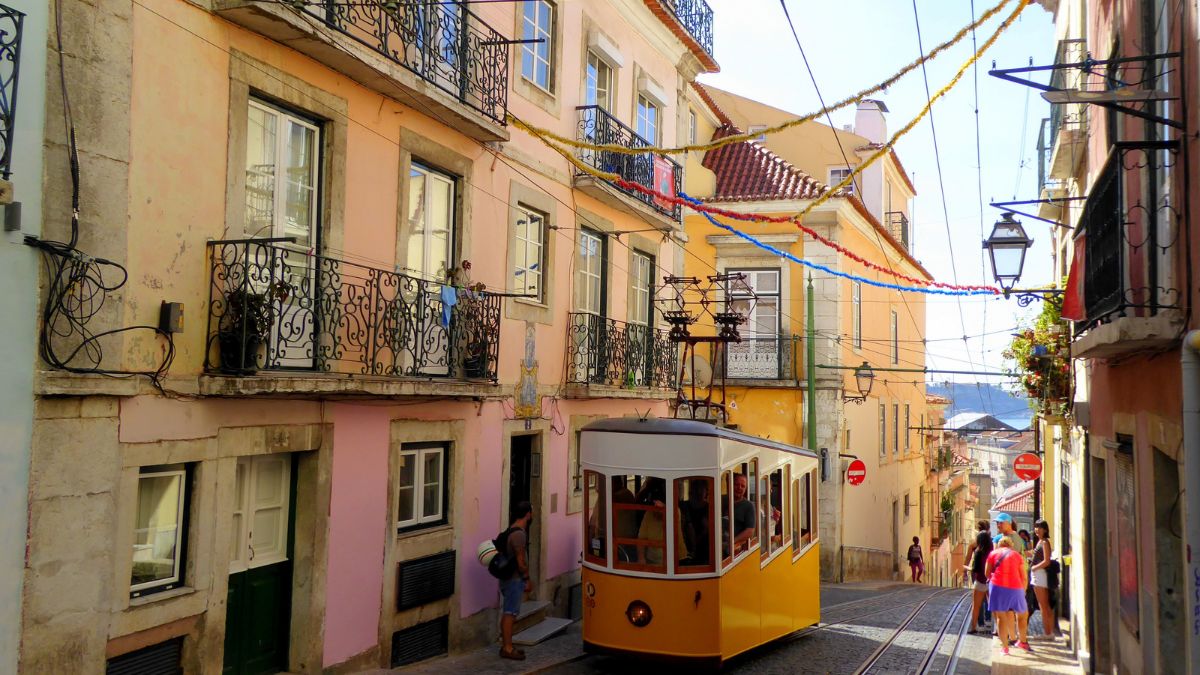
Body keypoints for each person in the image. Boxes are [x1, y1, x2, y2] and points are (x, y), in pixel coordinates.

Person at [499, 501, 533, 661]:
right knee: (510, 613)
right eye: (530, 512)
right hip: (514, 580)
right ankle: (507, 648)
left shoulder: (510, 530)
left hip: (507, 579)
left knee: (509, 612)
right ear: (527, 514)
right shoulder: (519, 534)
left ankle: (507, 645)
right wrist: (527, 579)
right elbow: (521, 562)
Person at [986, 536, 1031, 655]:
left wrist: (995, 581)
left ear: (1000, 545)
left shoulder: (993, 554)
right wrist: (1024, 590)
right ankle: (1022, 641)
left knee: (1001, 617)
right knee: (1022, 615)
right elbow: (1024, 576)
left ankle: (1005, 648)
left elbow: (987, 573)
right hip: (1016, 587)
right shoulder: (1017, 555)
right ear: (1011, 545)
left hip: (997, 587)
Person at [993, 512, 1029, 641]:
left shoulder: (1015, 539)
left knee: (1012, 611)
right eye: (997, 522)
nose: (998, 525)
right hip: (1006, 579)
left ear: (1008, 523)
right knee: (1007, 610)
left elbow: (1013, 560)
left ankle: (1016, 638)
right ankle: (1011, 636)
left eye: (1001, 522)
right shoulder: (1001, 537)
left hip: (1013, 580)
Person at [963, 520, 993, 634]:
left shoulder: (977, 549)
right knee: (992, 603)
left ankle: (975, 626)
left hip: (979, 579)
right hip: (990, 580)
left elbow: (973, 565)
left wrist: (966, 569)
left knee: (976, 605)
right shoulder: (992, 549)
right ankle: (991, 623)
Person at [1029, 520, 1056, 639]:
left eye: (1039, 528)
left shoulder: (1044, 542)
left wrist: (1034, 567)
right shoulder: (1040, 541)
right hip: (1038, 575)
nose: (1037, 530)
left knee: (1043, 605)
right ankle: (1049, 632)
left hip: (1040, 575)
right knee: (1045, 605)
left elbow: (1047, 561)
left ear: (1045, 529)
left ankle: (1048, 633)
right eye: (1035, 527)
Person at [679, 479, 711, 565]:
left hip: (704, 550)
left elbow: (707, 529)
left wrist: (695, 543)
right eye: (697, 489)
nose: (699, 492)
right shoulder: (683, 506)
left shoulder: (709, 508)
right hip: (683, 547)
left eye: (702, 490)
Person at [732, 473, 756, 553]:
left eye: (743, 486)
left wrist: (732, 542)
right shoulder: (722, 500)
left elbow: (750, 531)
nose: (739, 488)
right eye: (736, 484)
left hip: (736, 551)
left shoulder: (748, 506)